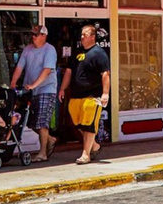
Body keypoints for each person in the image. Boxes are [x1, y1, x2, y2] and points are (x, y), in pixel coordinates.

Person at [58, 24, 110, 165]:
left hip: (92, 96)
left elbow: (105, 74)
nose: (82, 37)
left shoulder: (99, 53)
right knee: (78, 123)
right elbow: (68, 72)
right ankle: (94, 146)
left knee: (89, 126)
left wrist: (105, 93)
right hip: (76, 96)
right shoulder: (77, 52)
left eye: (85, 35)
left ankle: (86, 154)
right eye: (81, 34)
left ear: (93, 37)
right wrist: (62, 88)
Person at [10, 24, 58, 162]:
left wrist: (34, 85)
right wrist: (13, 83)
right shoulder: (28, 49)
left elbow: (47, 70)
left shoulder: (50, 50)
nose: (33, 37)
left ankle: (42, 153)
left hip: (46, 89)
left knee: (42, 122)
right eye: (32, 34)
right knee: (30, 121)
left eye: (36, 35)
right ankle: (50, 139)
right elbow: (20, 67)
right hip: (30, 90)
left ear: (44, 36)